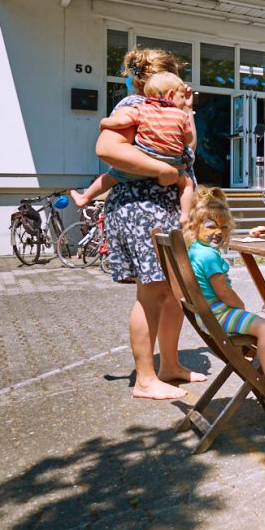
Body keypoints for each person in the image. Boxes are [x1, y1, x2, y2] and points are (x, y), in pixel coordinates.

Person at [95, 47, 205, 400]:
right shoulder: (132, 105)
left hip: (165, 208)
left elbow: (189, 152)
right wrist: (163, 170)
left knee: (173, 292)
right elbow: (107, 148)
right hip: (141, 207)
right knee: (152, 293)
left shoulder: (172, 110)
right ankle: (144, 380)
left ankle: (169, 365)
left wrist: (187, 113)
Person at [184, 187, 265, 405]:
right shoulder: (210, 256)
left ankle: (246, 357)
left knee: (256, 322)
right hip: (218, 315)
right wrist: (239, 305)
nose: (217, 232)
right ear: (195, 225)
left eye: (223, 226)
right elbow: (223, 291)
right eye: (210, 226)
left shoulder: (193, 250)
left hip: (206, 315)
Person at [71, 71, 194, 223]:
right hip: (172, 163)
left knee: (110, 178)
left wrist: (104, 122)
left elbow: (122, 122)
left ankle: (84, 198)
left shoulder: (141, 109)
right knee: (187, 185)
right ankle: (185, 215)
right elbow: (189, 139)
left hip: (144, 157)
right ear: (170, 95)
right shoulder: (180, 115)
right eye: (182, 96)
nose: (183, 101)